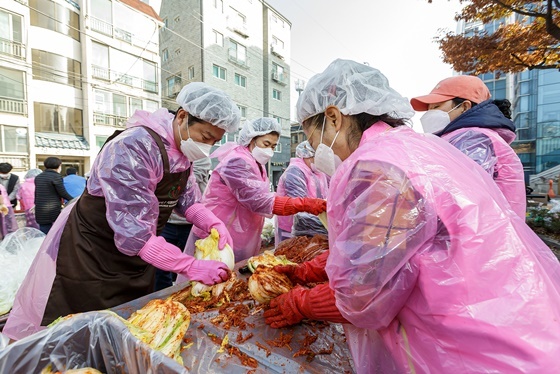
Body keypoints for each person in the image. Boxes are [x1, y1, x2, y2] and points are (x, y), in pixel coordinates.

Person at [263, 59, 560, 373]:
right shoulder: (419, 148)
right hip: (515, 329)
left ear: (333, 118)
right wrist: (309, 270)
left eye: (313, 140)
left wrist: (301, 302)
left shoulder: (377, 168)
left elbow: (362, 295)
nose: (316, 151)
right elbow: (393, 246)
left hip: (475, 352)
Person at [5, 82, 240, 340]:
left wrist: (213, 223)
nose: (207, 147)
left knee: (128, 325)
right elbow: (134, 233)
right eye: (205, 138)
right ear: (182, 116)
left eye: (214, 142)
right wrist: (191, 265)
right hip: (93, 252)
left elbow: (188, 200)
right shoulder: (133, 146)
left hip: (138, 256)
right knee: (83, 329)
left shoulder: (181, 155)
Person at [185, 117, 327, 262]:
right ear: (252, 139)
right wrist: (304, 204)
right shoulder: (237, 161)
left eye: (273, 146)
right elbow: (259, 201)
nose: (269, 151)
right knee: (207, 279)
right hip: (219, 232)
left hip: (240, 233)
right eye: (266, 144)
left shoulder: (255, 163)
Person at [410, 75, 526, 219]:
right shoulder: (466, 135)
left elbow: (464, 195)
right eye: (429, 109)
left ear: (464, 107)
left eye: (437, 107)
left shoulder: (471, 138)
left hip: (478, 235)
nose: (430, 113)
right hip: (487, 234)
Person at [154, 157, 212, 291]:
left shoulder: (200, 158)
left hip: (190, 224)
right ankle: (163, 296)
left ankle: (190, 295)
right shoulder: (163, 155)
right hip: (168, 223)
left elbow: (185, 189)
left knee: (191, 264)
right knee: (161, 268)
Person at [275, 141, 329, 246]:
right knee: (288, 257)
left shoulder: (319, 173)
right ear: (306, 155)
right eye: (316, 157)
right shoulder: (295, 172)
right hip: (292, 229)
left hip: (312, 227)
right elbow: (299, 208)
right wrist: (327, 224)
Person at [34, 157, 74, 235]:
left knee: (44, 232)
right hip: (52, 209)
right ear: (58, 166)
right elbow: (62, 193)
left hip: (40, 208)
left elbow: (36, 193)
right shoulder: (56, 176)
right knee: (57, 231)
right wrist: (74, 200)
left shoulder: (38, 177)